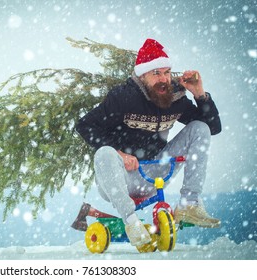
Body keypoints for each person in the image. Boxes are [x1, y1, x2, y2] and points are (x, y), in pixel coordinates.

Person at [75, 38, 222, 246]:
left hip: (155, 173)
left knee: (200, 128)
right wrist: (121, 154)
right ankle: (130, 221)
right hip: (121, 179)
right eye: (156, 73)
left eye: (166, 72)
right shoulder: (123, 97)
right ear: (143, 75)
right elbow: (85, 125)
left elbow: (212, 128)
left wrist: (199, 93)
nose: (163, 79)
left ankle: (189, 203)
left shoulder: (174, 99)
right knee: (104, 153)